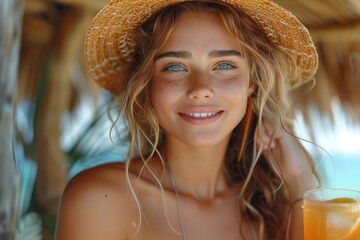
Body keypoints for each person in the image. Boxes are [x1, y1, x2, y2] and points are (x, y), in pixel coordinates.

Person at [55, 0, 320, 239]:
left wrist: (300, 179)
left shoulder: (274, 209)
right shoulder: (101, 200)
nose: (200, 88)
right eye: (174, 67)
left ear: (253, 82)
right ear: (147, 84)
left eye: (225, 65)